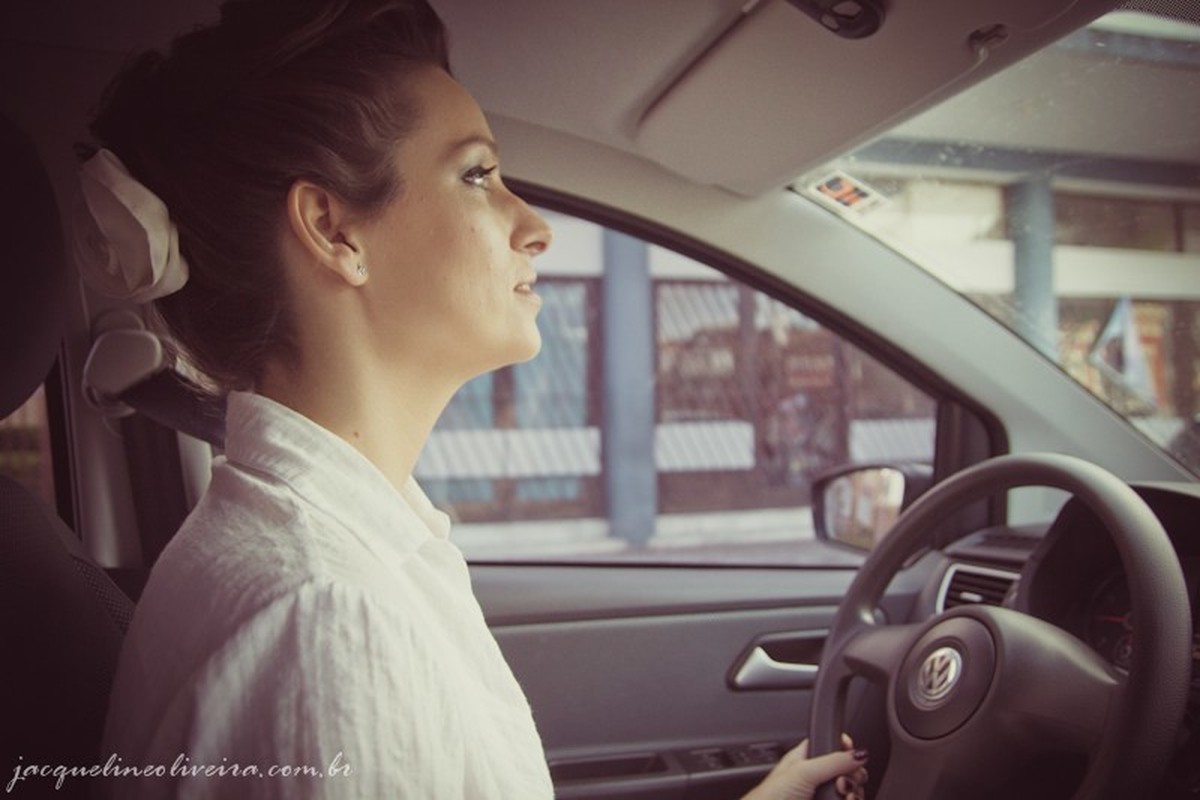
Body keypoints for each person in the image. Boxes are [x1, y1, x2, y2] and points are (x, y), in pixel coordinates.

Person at [74, 0, 870, 797]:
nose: (534, 227)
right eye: (478, 175)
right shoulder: (328, 618)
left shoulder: (324, 547)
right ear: (333, 230)